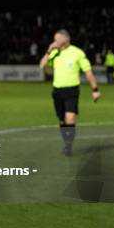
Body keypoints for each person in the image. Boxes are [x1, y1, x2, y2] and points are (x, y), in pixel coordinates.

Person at [40, 29, 101, 157]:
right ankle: (67, 142)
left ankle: (68, 145)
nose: (54, 42)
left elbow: (88, 72)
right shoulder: (54, 53)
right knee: (62, 120)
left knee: (70, 118)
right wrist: (49, 50)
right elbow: (42, 66)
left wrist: (95, 90)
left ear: (65, 39)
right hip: (57, 91)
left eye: (57, 39)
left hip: (72, 90)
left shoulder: (77, 53)